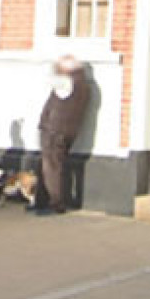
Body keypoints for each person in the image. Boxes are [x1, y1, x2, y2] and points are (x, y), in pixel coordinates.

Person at [35, 55, 90, 216]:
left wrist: (57, 68)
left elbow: (47, 78)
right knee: (57, 165)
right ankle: (48, 200)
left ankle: (55, 203)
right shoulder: (84, 85)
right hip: (68, 130)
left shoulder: (68, 82)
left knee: (51, 167)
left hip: (55, 130)